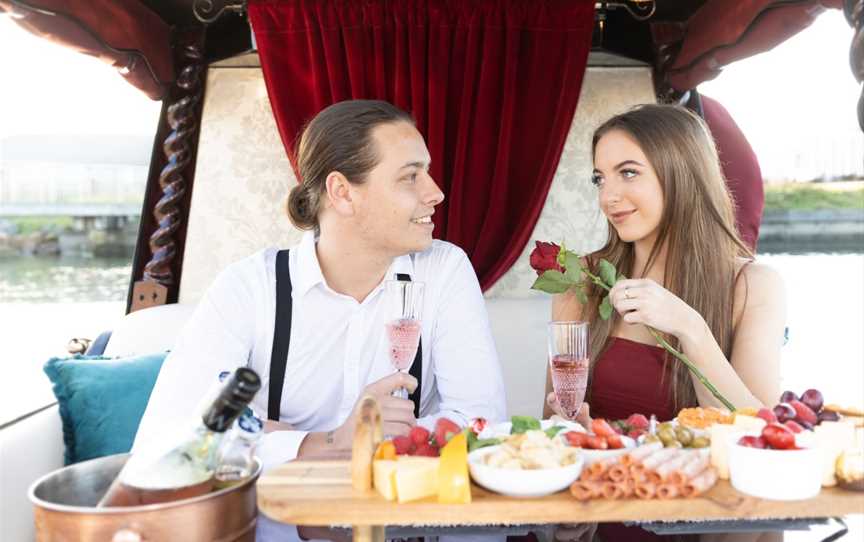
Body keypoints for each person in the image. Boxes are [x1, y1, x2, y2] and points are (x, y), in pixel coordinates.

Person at [134, 99, 507, 471]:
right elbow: (172, 435)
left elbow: (483, 422)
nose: (435, 192)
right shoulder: (247, 288)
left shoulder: (444, 271)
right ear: (342, 192)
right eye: (410, 176)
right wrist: (323, 442)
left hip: (400, 522)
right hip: (283, 526)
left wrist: (273, 438)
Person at [544, 103, 786, 425]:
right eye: (599, 179)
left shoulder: (754, 285)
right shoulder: (583, 278)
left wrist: (691, 328)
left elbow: (760, 433)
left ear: (683, 173)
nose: (607, 197)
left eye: (628, 172)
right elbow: (548, 429)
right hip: (602, 473)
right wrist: (572, 428)